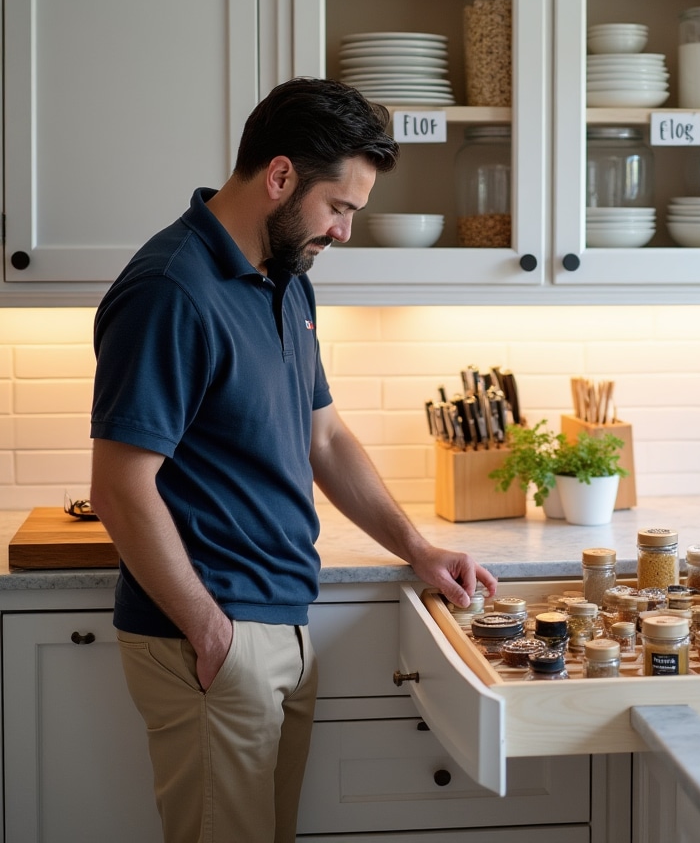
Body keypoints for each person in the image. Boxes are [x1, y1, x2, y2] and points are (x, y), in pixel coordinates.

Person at [89, 77, 497, 843]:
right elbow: (118, 487)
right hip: (212, 632)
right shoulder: (171, 290)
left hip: (281, 621)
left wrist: (418, 547)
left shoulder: (285, 277)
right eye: (338, 208)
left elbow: (327, 439)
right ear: (280, 177)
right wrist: (213, 634)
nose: (344, 231)